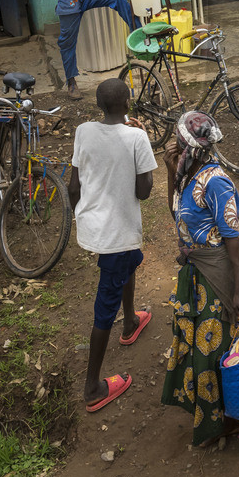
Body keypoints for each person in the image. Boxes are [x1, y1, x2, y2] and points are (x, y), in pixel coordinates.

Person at [159, 110, 239, 447]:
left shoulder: (216, 181)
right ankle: (218, 414)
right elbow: (176, 213)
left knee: (216, 350)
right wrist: (169, 173)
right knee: (201, 348)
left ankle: (233, 418)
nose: (172, 146)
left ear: (187, 146)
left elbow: (232, 239)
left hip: (217, 277)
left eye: (176, 141)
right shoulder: (187, 175)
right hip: (196, 275)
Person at [67, 78, 157, 414]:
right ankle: (93, 387)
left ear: (99, 106)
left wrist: (83, 215)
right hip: (116, 231)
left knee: (130, 260)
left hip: (94, 225)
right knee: (105, 305)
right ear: (129, 103)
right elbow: (144, 191)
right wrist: (136, 144)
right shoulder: (136, 137)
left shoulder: (84, 131)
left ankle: (131, 321)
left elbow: (74, 186)